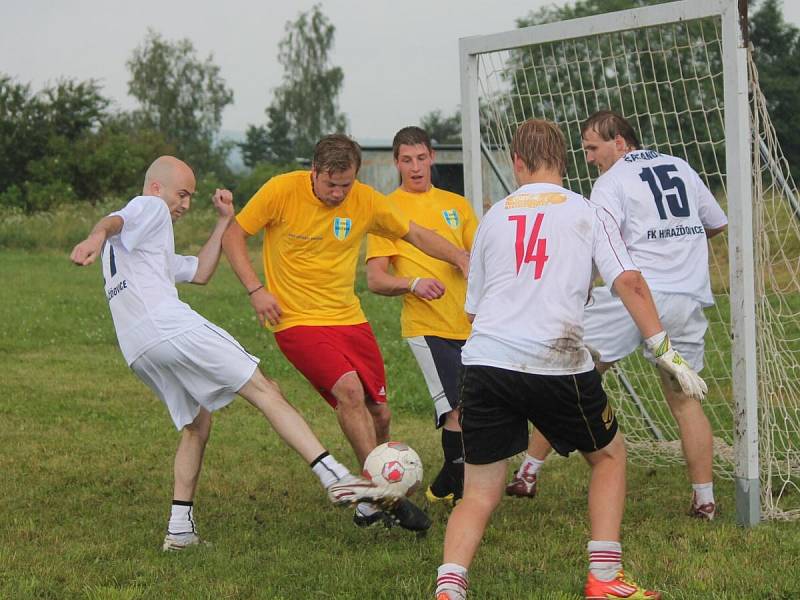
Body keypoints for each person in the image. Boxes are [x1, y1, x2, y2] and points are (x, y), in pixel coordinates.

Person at [434, 119, 707, 600]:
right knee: (608, 456)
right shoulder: (586, 210)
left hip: (485, 362)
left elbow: (474, 307)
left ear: (517, 163)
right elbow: (629, 283)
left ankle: (450, 588)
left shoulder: (494, 216)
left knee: (479, 492)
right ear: (562, 159)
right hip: (554, 360)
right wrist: (664, 348)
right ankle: (603, 579)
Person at [69, 156, 396, 551]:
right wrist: (94, 235)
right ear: (157, 188)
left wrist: (224, 220)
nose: (185, 204)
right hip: (168, 326)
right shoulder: (149, 207)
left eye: (189, 196)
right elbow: (114, 219)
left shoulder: (141, 243)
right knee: (264, 389)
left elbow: (201, 272)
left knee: (197, 425)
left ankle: (179, 530)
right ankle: (336, 477)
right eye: (182, 194)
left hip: (138, 348)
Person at [222, 134, 469, 531]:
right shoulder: (281, 190)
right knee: (349, 392)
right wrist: (256, 289)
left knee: (380, 413)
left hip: (349, 318)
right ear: (314, 172)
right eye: (330, 184)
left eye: (346, 184)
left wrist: (458, 255)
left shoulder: (367, 200)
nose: (338, 193)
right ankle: (383, 496)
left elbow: (415, 234)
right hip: (297, 320)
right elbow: (234, 234)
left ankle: (370, 502)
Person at [507, 111, 727, 521]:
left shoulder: (610, 183)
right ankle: (705, 499)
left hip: (634, 295)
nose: (588, 157)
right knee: (684, 401)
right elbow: (714, 223)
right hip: (686, 297)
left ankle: (528, 472)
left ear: (620, 143)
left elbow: (598, 246)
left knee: (571, 376)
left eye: (592, 148)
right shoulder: (680, 166)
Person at [365, 126, 477, 506]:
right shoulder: (385, 211)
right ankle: (466, 495)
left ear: (432, 157)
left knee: (478, 406)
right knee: (457, 407)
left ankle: (444, 484)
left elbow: (478, 257)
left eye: (421, 158)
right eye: (406, 160)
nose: (415, 167)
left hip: (471, 324)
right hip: (427, 327)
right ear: (396, 163)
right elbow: (376, 279)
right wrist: (413, 283)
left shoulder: (457, 205)